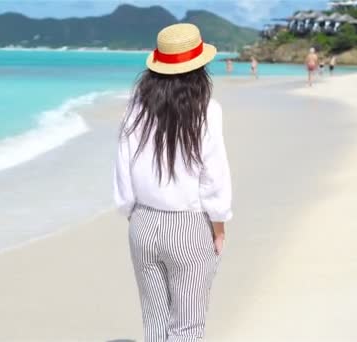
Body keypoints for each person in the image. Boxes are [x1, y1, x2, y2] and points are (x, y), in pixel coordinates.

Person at [114, 23, 232, 341]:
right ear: (199, 69)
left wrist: (133, 214)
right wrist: (219, 224)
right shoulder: (206, 110)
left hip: (141, 223)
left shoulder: (135, 109)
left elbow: (123, 171)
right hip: (187, 224)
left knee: (154, 323)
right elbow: (214, 174)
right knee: (187, 328)